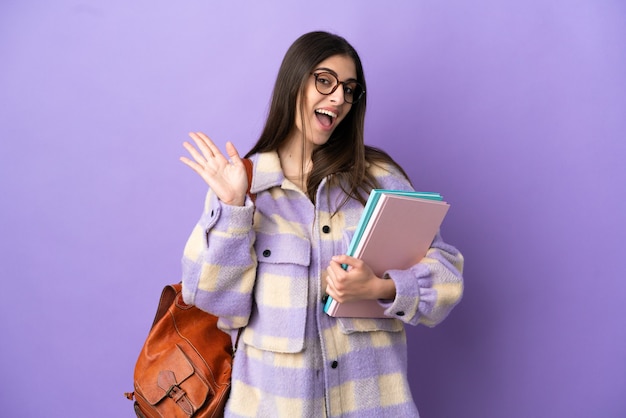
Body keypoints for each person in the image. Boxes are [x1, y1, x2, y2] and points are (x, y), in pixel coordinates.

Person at [180, 31, 464, 418]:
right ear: (294, 82)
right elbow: (216, 303)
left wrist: (380, 286)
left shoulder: (378, 177)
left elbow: (446, 276)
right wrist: (233, 209)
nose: (338, 99)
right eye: (325, 81)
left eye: (349, 90)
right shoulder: (244, 185)